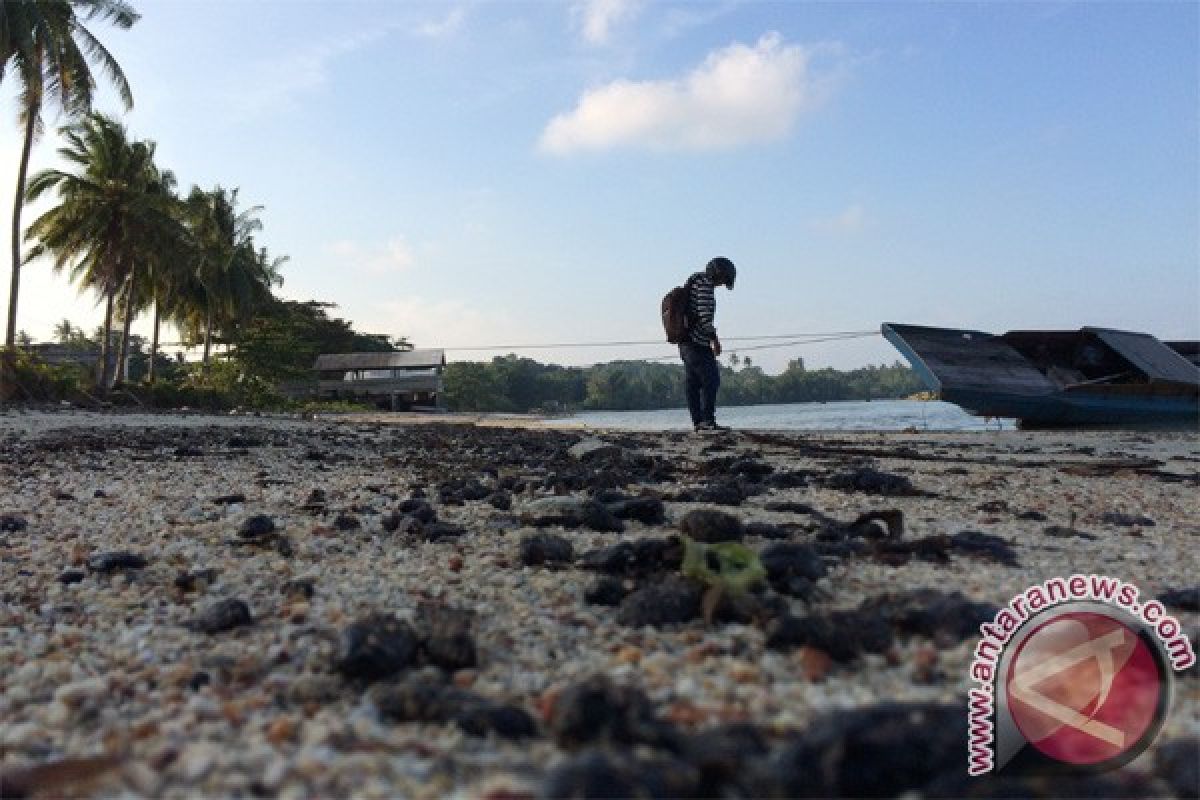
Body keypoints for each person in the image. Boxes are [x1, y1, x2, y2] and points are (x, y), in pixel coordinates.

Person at [679, 256, 736, 431]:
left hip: (686, 342)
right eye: (723, 278)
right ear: (718, 273)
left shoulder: (695, 281)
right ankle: (707, 420)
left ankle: (699, 422)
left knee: (693, 383)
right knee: (711, 379)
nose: (722, 283)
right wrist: (715, 340)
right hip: (696, 342)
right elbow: (704, 317)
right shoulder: (704, 284)